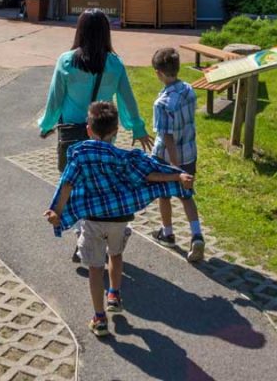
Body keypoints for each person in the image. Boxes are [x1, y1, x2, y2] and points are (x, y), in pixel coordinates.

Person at [44, 101, 194, 338]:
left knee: (95, 268)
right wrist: (177, 176)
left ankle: (99, 318)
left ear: (88, 129)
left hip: (92, 220)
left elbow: (67, 185)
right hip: (118, 219)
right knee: (115, 254)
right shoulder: (122, 157)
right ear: (115, 132)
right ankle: (114, 293)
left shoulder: (81, 155)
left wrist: (57, 213)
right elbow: (149, 173)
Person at [39, 8, 155, 263]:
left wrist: (46, 124)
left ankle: (84, 238)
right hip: (104, 134)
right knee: (97, 184)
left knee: (74, 185)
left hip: (71, 133)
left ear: (79, 30)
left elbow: (55, 98)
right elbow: (127, 98)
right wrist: (137, 127)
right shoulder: (114, 63)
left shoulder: (66, 61)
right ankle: (98, 238)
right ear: (106, 33)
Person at [149, 47, 205, 262]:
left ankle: (168, 232)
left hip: (167, 160)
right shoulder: (188, 90)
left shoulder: (162, 103)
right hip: (189, 153)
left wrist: (174, 168)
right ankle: (197, 235)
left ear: (159, 73)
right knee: (187, 196)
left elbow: (167, 137)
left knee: (164, 195)